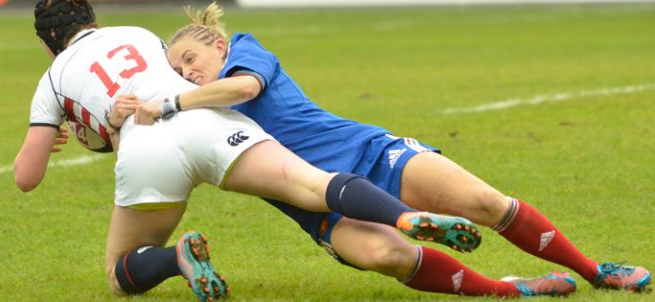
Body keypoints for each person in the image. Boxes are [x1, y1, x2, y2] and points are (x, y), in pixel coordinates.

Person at [130, 1, 651, 296]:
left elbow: (243, 90)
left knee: (486, 204)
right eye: (175, 70)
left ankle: (593, 270)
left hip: (373, 155)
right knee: (385, 255)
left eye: (190, 57)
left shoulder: (244, 53)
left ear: (217, 45)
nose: (186, 71)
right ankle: (510, 290)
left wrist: (172, 98)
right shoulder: (194, 109)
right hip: (319, 206)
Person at [14, 1, 485, 301]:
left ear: (46, 44)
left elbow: (26, 177)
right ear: (93, 18)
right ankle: (403, 217)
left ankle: (178, 257)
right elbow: (177, 80)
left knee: (120, 273)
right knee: (314, 185)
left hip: (144, 151)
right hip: (204, 122)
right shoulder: (138, 34)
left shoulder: (53, 79)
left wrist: (81, 127)